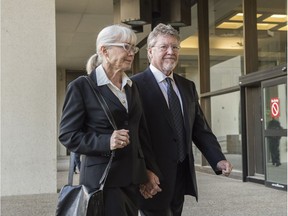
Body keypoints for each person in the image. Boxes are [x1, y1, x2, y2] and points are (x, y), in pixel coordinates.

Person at [131, 23, 233, 216]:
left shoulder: (187, 86)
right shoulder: (135, 86)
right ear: (150, 52)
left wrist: (217, 159)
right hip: (152, 177)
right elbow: (134, 135)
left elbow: (199, 128)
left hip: (181, 174)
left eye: (175, 47)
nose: (171, 52)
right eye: (164, 47)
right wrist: (143, 171)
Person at [59, 24, 161, 216]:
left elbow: (141, 133)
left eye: (133, 47)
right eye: (126, 47)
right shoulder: (82, 87)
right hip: (102, 182)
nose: (132, 53)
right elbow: (68, 135)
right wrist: (107, 141)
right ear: (104, 50)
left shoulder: (132, 87)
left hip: (132, 180)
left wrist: (148, 169)